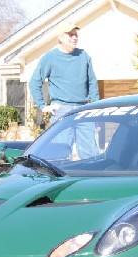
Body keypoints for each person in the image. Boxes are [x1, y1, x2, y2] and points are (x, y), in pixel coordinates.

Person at [29, 20, 100, 158]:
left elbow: (92, 82)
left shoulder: (84, 56)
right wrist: (43, 106)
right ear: (60, 38)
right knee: (59, 154)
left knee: (91, 154)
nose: (74, 37)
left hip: (84, 109)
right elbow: (34, 82)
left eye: (76, 34)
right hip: (61, 110)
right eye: (70, 34)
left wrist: (95, 106)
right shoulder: (50, 57)